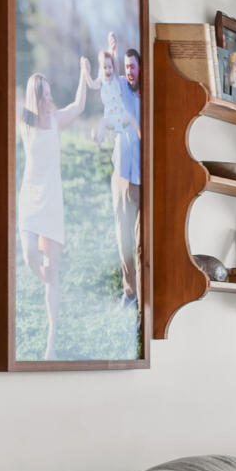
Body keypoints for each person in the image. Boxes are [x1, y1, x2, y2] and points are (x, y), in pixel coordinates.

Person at [15, 56, 95, 358]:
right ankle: (43, 278)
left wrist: (83, 75)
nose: (50, 98)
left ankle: (51, 335)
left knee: (54, 266)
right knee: (29, 256)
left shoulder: (56, 120)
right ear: (35, 97)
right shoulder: (25, 121)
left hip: (52, 200)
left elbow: (79, 106)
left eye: (50, 93)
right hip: (30, 198)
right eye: (45, 94)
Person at [93, 36, 141, 302]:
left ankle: (144, 293)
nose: (129, 71)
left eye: (133, 67)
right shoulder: (119, 86)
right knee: (123, 236)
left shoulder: (147, 97)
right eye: (127, 66)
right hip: (122, 173)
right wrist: (111, 51)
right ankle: (129, 291)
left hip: (142, 179)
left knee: (141, 241)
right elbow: (106, 74)